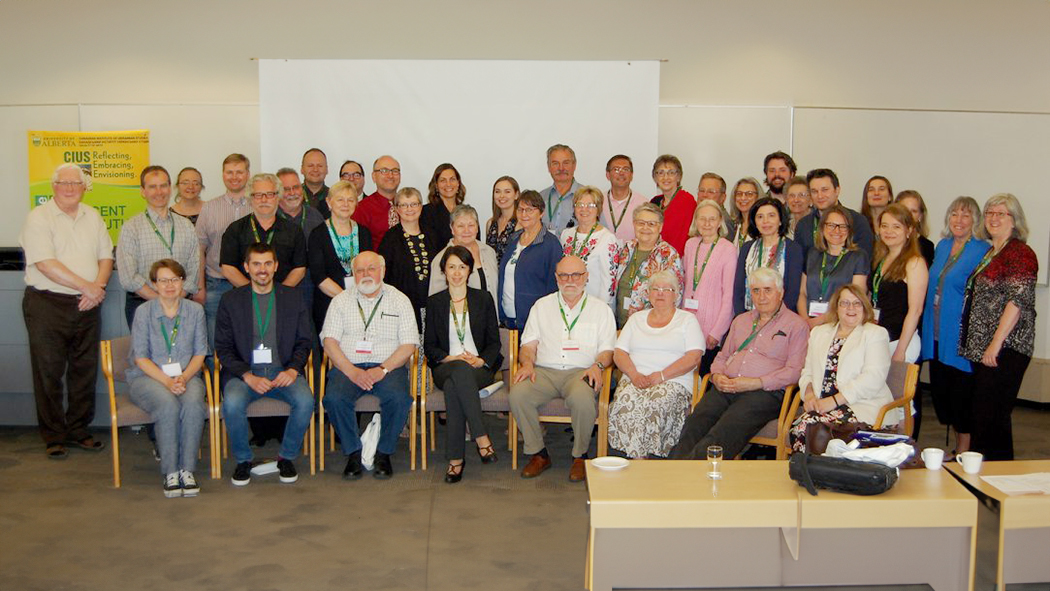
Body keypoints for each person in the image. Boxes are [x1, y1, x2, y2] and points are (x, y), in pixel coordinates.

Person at [20, 163, 114, 459]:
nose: (71, 187)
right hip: (48, 304)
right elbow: (45, 263)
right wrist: (89, 287)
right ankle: (53, 435)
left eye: (77, 182)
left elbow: (105, 256)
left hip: (88, 304)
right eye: (64, 182)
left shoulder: (93, 216)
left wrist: (96, 289)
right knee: (48, 372)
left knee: (84, 371)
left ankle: (78, 430)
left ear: (85, 186)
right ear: (54, 186)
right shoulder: (38, 218)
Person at [671, 267, 808, 460]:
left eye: (768, 290)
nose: (761, 296)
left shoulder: (796, 325)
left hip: (764, 392)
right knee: (697, 420)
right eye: (756, 291)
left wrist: (756, 382)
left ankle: (690, 475)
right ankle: (676, 472)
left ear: (781, 293)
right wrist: (717, 376)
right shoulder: (740, 321)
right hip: (727, 385)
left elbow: (795, 371)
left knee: (727, 426)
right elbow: (721, 357)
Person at [509, 256, 616, 482]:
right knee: (518, 394)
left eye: (576, 275)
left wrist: (598, 366)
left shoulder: (601, 310)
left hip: (581, 372)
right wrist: (527, 363)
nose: (570, 280)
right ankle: (538, 454)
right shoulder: (542, 306)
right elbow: (527, 345)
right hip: (544, 371)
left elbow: (607, 351)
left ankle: (580, 456)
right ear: (556, 278)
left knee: (582, 399)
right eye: (564, 275)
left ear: (586, 277)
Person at [216, 243, 314, 486]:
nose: (263, 270)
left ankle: (286, 457)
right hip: (244, 374)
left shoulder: (292, 297)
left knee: (306, 401)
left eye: (268, 263)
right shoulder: (230, 300)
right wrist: (247, 375)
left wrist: (293, 369)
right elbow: (223, 348)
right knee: (233, 403)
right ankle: (243, 461)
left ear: (276, 266)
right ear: (246, 267)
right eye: (256, 264)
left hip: (283, 371)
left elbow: (304, 341)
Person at [321, 251, 418, 479]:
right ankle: (353, 452)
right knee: (334, 399)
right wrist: (351, 370)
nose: (366, 274)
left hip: (387, 366)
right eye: (360, 270)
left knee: (399, 399)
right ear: (353, 274)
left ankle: (384, 453)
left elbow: (408, 345)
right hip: (349, 365)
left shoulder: (400, 300)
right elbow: (330, 342)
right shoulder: (340, 301)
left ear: (382, 271)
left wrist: (382, 369)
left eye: (371, 268)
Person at [960, 194, 1038, 461]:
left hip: (1007, 349)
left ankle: (993, 477)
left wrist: (995, 344)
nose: (993, 218)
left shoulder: (1020, 253)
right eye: (989, 213)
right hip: (987, 349)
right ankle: (991, 476)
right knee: (988, 417)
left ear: (1014, 220)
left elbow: (1017, 301)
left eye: (1001, 213)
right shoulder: (992, 252)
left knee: (990, 417)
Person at [127, 259, 208, 498]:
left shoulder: (195, 311)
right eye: (163, 280)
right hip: (148, 377)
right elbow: (141, 358)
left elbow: (200, 352)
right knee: (167, 404)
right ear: (154, 284)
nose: (170, 285)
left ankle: (187, 470)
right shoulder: (143, 312)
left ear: (183, 282)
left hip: (187, 375)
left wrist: (182, 378)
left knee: (194, 403)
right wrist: (167, 381)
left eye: (175, 279)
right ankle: (171, 471)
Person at [423, 246, 503, 483]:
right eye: (451, 267)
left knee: (453, 386)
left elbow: (494, 342)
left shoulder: (482, 298)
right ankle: (482, 438)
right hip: (446, 365)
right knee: (458, 371)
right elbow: (430, 346)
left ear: (469, 271)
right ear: (443, 271)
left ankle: (455, 459)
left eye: (462, 267)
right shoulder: (435, 302)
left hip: (478, 368)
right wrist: (451, 358)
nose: (457, 273)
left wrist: (481, 360)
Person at [919, 197, 989, 457]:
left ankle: (964, 449)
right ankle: (957, 445)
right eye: (954, 214)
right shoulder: (943, 245)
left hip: (960, 334)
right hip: (935, 331)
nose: (959, 220)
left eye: (966, 215)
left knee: (961, 395)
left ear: (975, 221)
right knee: (942, 392)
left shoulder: (983, 249)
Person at [789, 284, 897, 453]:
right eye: (845, 303)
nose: (851, 308)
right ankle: (812, 474)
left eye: (857, 303)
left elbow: (873, 378)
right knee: (803, 426)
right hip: (821, 407)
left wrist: (833, 401)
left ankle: (813, 474)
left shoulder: (875, 334)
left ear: (865, 307)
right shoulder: (819, 332)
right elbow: (807, 372)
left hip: (861, 406)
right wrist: (809, 395)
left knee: (807, 426)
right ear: (836, 307)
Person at [607, 271, 704, 458]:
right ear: (648, 293)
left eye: (667, 289)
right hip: (636, 378)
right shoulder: (636, 319)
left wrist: (661, 376)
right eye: (655, 289)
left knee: (656, 403)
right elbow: (619, 353)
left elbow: (693, 357)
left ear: (676, 295)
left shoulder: (687, 320)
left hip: (674, 380)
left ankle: (650, 459)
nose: (660, 293)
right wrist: (634, 375)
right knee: (625, 403)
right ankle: (635, 458)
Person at [117, 165, 201, 329]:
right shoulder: (131, 227)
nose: (159, 192)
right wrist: (163, 301)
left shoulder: (186, 226)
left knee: (182, 354)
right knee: (144, 355)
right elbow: (128, 277)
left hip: (181, 304)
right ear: (143, 191)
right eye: (152, 187)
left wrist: (176, 300)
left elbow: (194, 269)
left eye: (163, 186)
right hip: (142, 304)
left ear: (170, 188)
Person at [196, 153, 251, 345]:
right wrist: (200, 287)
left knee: (247, 337)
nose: (234, 177)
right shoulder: (209, 208)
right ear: (222, 175)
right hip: (216, 284)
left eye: (239, 172)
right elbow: (200, 249)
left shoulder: (258, 206)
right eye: (229, 172)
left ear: (248, 174)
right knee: (214, 339)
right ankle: (215, 376)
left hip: (250, 283)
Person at [219, 173, 307, 289]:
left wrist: (280, 293)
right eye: (258, 195)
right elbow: (227, 268)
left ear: (278, 197)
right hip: (246, 298)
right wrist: (254, 293)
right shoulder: (235, 230)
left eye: (269, 194)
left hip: (283, 298)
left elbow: (299, 269)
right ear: (250, 199)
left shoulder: (294, 231)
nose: (264, 200)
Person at [680, 199, 737, 376]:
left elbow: (729, 295)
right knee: (685, 373)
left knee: (703, 375)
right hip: (687, 322)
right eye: (702, 218)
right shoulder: (690, 245)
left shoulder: (727, 249)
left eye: (712, 219)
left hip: (711, 326)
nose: (706, 223)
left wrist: (717, 332)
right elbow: (686, 283)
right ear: (695, 220)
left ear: (720, 222)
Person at [308, 180, 373, 332]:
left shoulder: (364, 233)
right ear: (329, 203)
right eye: (340, 199)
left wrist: (360, 299)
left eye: (350, 200)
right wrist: (346, 299)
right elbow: (318, 276)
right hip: (329, 305)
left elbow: (369, 270)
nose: (346, 204)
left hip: (362, 303)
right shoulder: (318, 234)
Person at [869, 204, 927, 364]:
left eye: (896, 227)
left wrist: (901, 350)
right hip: (879, 340)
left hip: (900, 343)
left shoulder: (914, 262)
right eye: (884, 226)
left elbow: (915, 311)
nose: (889, 231)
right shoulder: (881, 258)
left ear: (908, 231)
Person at [610, 203, 684, 328]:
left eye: (651, 224)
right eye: (641, 223)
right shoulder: (627, 249)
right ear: (634, 224)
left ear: (660, 227)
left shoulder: (668, 254)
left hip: (649, 327)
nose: (645, 228)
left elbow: (676, 296)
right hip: (620, 325)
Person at [797, 204, 869, 328]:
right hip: (809, 324)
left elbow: (856, 297)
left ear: (849, 230)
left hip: (840, 325)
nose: (837, 231)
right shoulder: (812, 253)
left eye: (842, 226)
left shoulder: (858, 256)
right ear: (822, 228)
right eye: (831, 225)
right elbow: (802, 292)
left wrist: (819, 321)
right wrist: (805, 321)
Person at [498, 190, 562, 329]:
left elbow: (555, 286)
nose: (524, 214)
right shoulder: (514, 238)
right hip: (508, 319)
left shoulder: (550, 244)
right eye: (520, 209)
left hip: (534, 321)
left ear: (541, 212)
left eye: (530, 210)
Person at [378, 187, 439, 329]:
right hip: (402, 307)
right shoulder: (390, 239)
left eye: (414, 204)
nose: (409, 209)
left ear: (421, 206)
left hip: (431, 305)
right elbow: (383, 277)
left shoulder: (432, 235)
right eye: (404, 205)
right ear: (397, 209)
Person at [732, 197, 803, 315]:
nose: (765, 221)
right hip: (749, 316)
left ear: (780, 220)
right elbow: (738, 288)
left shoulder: (792, 249)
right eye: (760, 217)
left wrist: (776, 317)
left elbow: (792, 291)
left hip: (781, 317)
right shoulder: (747, 248)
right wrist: (742, 317)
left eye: (771, 215)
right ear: (754, 222)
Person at [795, 168, 875, 260]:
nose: (820, 196)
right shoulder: (803, 225)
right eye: (814, 191)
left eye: (824, 190)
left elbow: (864, 259)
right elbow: (799, 261)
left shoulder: (857, 221)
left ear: (837, 190)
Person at [560, 185, 620, 307]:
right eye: (580, 205)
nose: (584, 209)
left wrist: (600, 309)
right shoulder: (566, 235)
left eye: (590, 205)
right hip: (568, 303)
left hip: (595, 305)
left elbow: (609, 282)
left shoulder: (607, 238)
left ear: (598, 209)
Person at [429, 204, 499, 305]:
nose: (466, 230)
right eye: (460, 226)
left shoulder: (489, 252)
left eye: (471, 225)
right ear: (452, 228)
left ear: (477, 227)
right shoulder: (442, 259)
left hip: (490, 318)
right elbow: (436, 302)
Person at [648, 154, 696, 255]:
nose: (666, 177)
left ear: (678, 177)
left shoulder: (687, 201)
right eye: (661, 173)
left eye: (671, 173)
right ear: (655, 178)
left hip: (678, 259)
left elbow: (686, 237)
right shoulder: (654, 203)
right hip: (655, 257)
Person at [353, 155, 401, 249]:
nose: (390, 175)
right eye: (384, 171)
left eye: (395, 171)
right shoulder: (361, 209)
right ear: (374, 176)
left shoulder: (409, 207)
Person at [601, 155, 650, 242]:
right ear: (608, 175)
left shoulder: (644, 204)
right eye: (616, 169)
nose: (621, 173)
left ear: (631, 175)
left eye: (626, 169)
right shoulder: (599, 201)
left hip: (633, 254)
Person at [420, 163, 466, 247]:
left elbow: (476, 242)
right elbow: (429, 246)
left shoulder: (467, 212)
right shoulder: (427, 212)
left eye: (452, 179)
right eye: (443, 180)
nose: (448, 184)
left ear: (458, 183)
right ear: (436, 185)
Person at [540, 144, 583, 235]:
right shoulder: (540, 198)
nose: (561, 168)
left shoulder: (588, 197)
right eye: (555, 163)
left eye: (566, 163)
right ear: (549, 167)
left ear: (574, 165)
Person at [276, 167, 325, 241]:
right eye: (286, 189)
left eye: (296, 187)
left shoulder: (315, 217)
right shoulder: (270, 217)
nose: (292, 193)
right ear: (277, 192)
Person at [895, 190, 936, 266]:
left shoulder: (927, 247)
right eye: (904, 210)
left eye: (913, 211)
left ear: (920, 216)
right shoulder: (887, 240)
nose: (908, 215)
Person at [485, 175, 519, 262]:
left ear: (516, 195)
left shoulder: (521, 224)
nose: (502, 196)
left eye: (507, 192)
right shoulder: (490, 223)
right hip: (492, 274)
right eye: (497, 192)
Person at [726, 177, 761, 248]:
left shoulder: (762, 225)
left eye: (749, 194)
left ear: (758, 197)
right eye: (739, 194)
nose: (743, 198)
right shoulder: (733, 226)